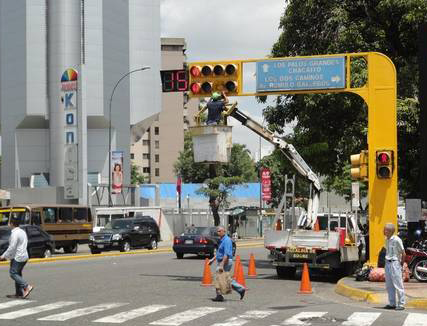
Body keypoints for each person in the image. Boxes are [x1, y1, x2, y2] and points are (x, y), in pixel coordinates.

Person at [209, 226, 245, 302]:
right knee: (225, 278)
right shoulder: (222, 240)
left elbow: (227, 254)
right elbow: (220, 253)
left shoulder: (227, 240)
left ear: (224, 231)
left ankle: (219, 296)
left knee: (218, 277)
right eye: (217, 231)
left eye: (219, 231)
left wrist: (222, 264)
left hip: (226, 261)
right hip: (223, 261)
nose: (218, 232)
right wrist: (212, 260)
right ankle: (240, 289)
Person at [0, 217, 33, 299]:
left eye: (9, 223)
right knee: (17, 274)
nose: (8, 224)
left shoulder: (15, 233)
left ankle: (26, 286)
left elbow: (12, 247)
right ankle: (19, 293)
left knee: (13, 273)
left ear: (11, 224)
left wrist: (3, 256)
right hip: (23, 256)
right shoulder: (22, 231)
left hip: (18, 257)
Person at [383, 223, 405, 310]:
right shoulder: (386, 239)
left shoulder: (397, 240)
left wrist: (401, 264)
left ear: (391, 231)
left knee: (398, 284)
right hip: (387, 263)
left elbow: (403, 253)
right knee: (389, 285)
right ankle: (392, 303)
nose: (384, 231)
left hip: (395, 263)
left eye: (386, 230)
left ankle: (401, 304)